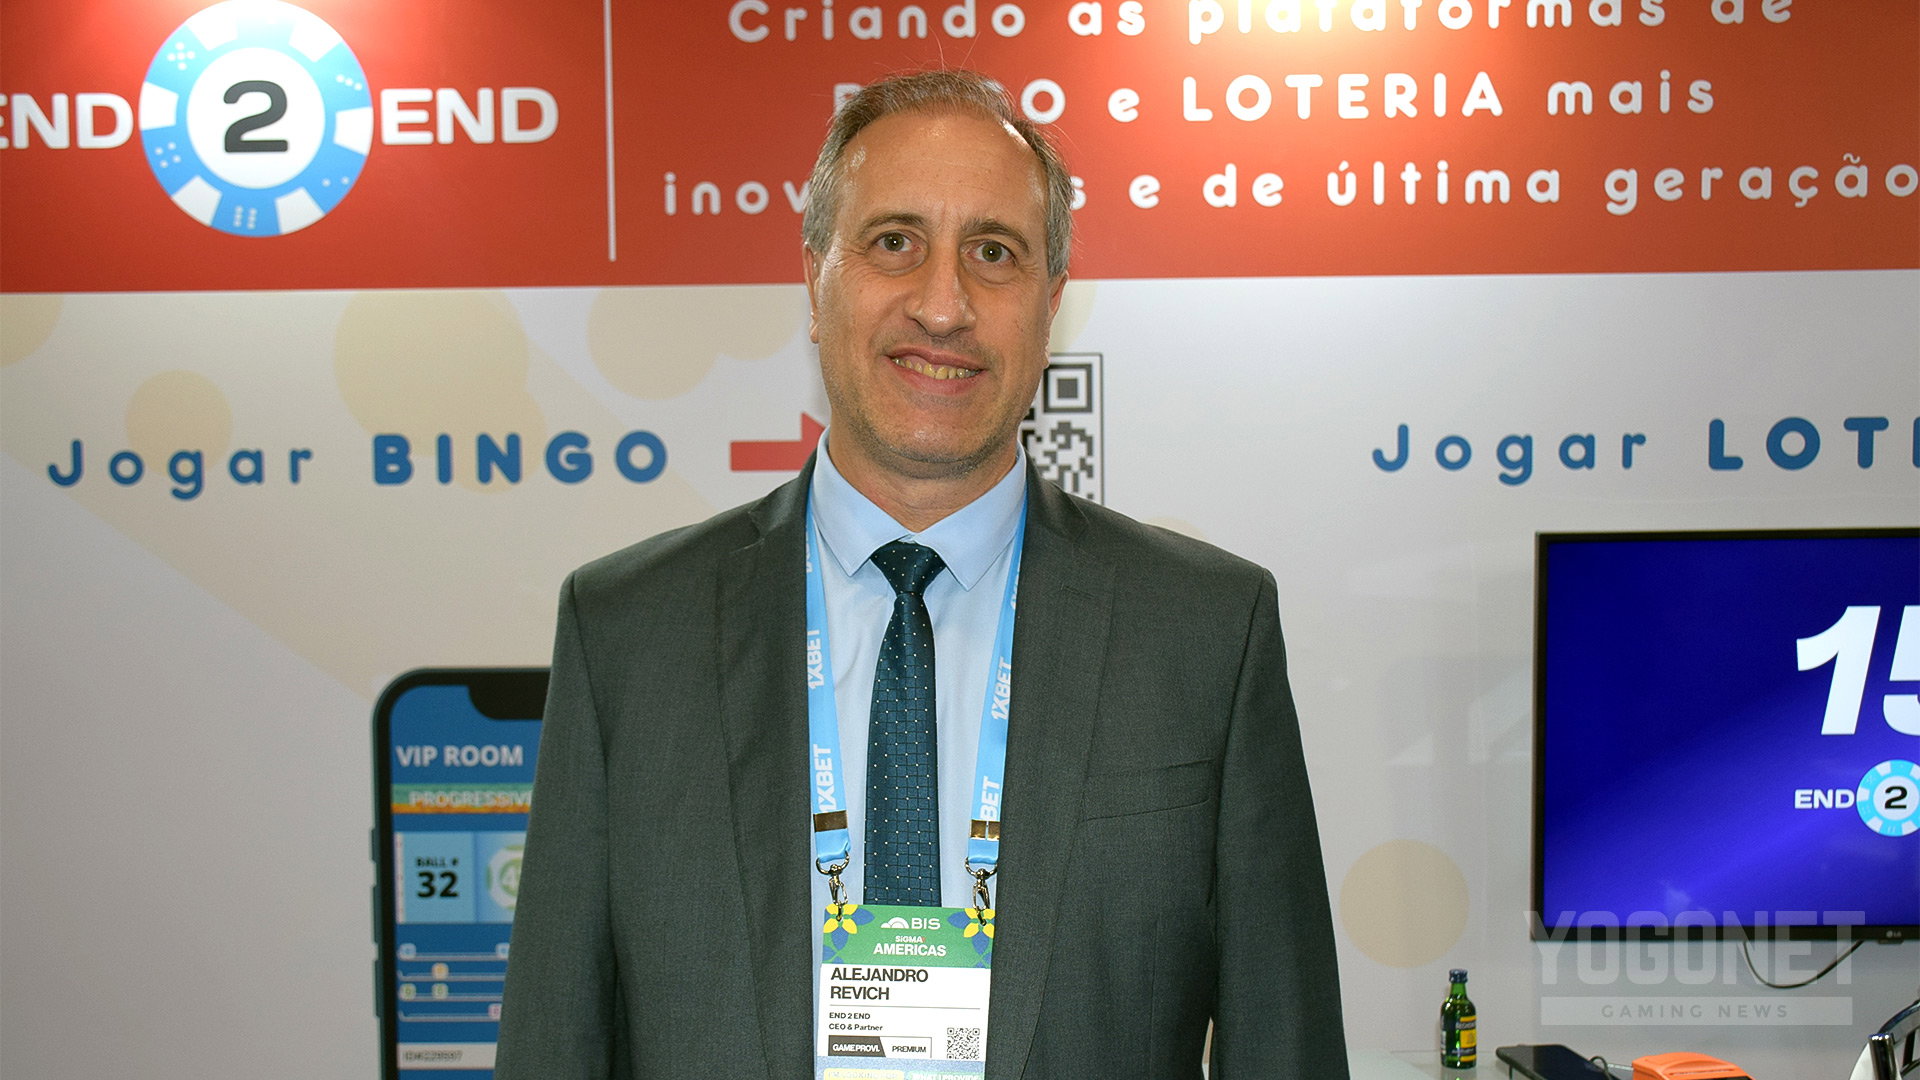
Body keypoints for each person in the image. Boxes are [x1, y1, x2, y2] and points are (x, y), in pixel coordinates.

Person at [496, 69, 1346, 1079]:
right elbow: (554, 1042)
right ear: (816, 279)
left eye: (994, 252)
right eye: (895, 242)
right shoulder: (629, 632)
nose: (943, 307)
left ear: (1051, 305)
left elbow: (1284, 1042)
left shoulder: (1205, 632)